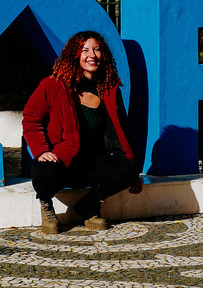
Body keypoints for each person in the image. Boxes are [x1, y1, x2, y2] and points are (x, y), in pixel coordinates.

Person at [21, 31, 142, 233]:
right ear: (74, 55)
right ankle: (46, 205)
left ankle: (89, 205)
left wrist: (131, 170)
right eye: (85, 50)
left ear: (104, 55)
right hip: (64, 160)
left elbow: (121, 131)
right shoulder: (53, 84)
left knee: (129, 169)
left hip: (94, 163)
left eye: (97, 49)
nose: (91, 55)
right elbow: (31, 118)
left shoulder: (109, 89)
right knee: (44, 169)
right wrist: (42, 151)